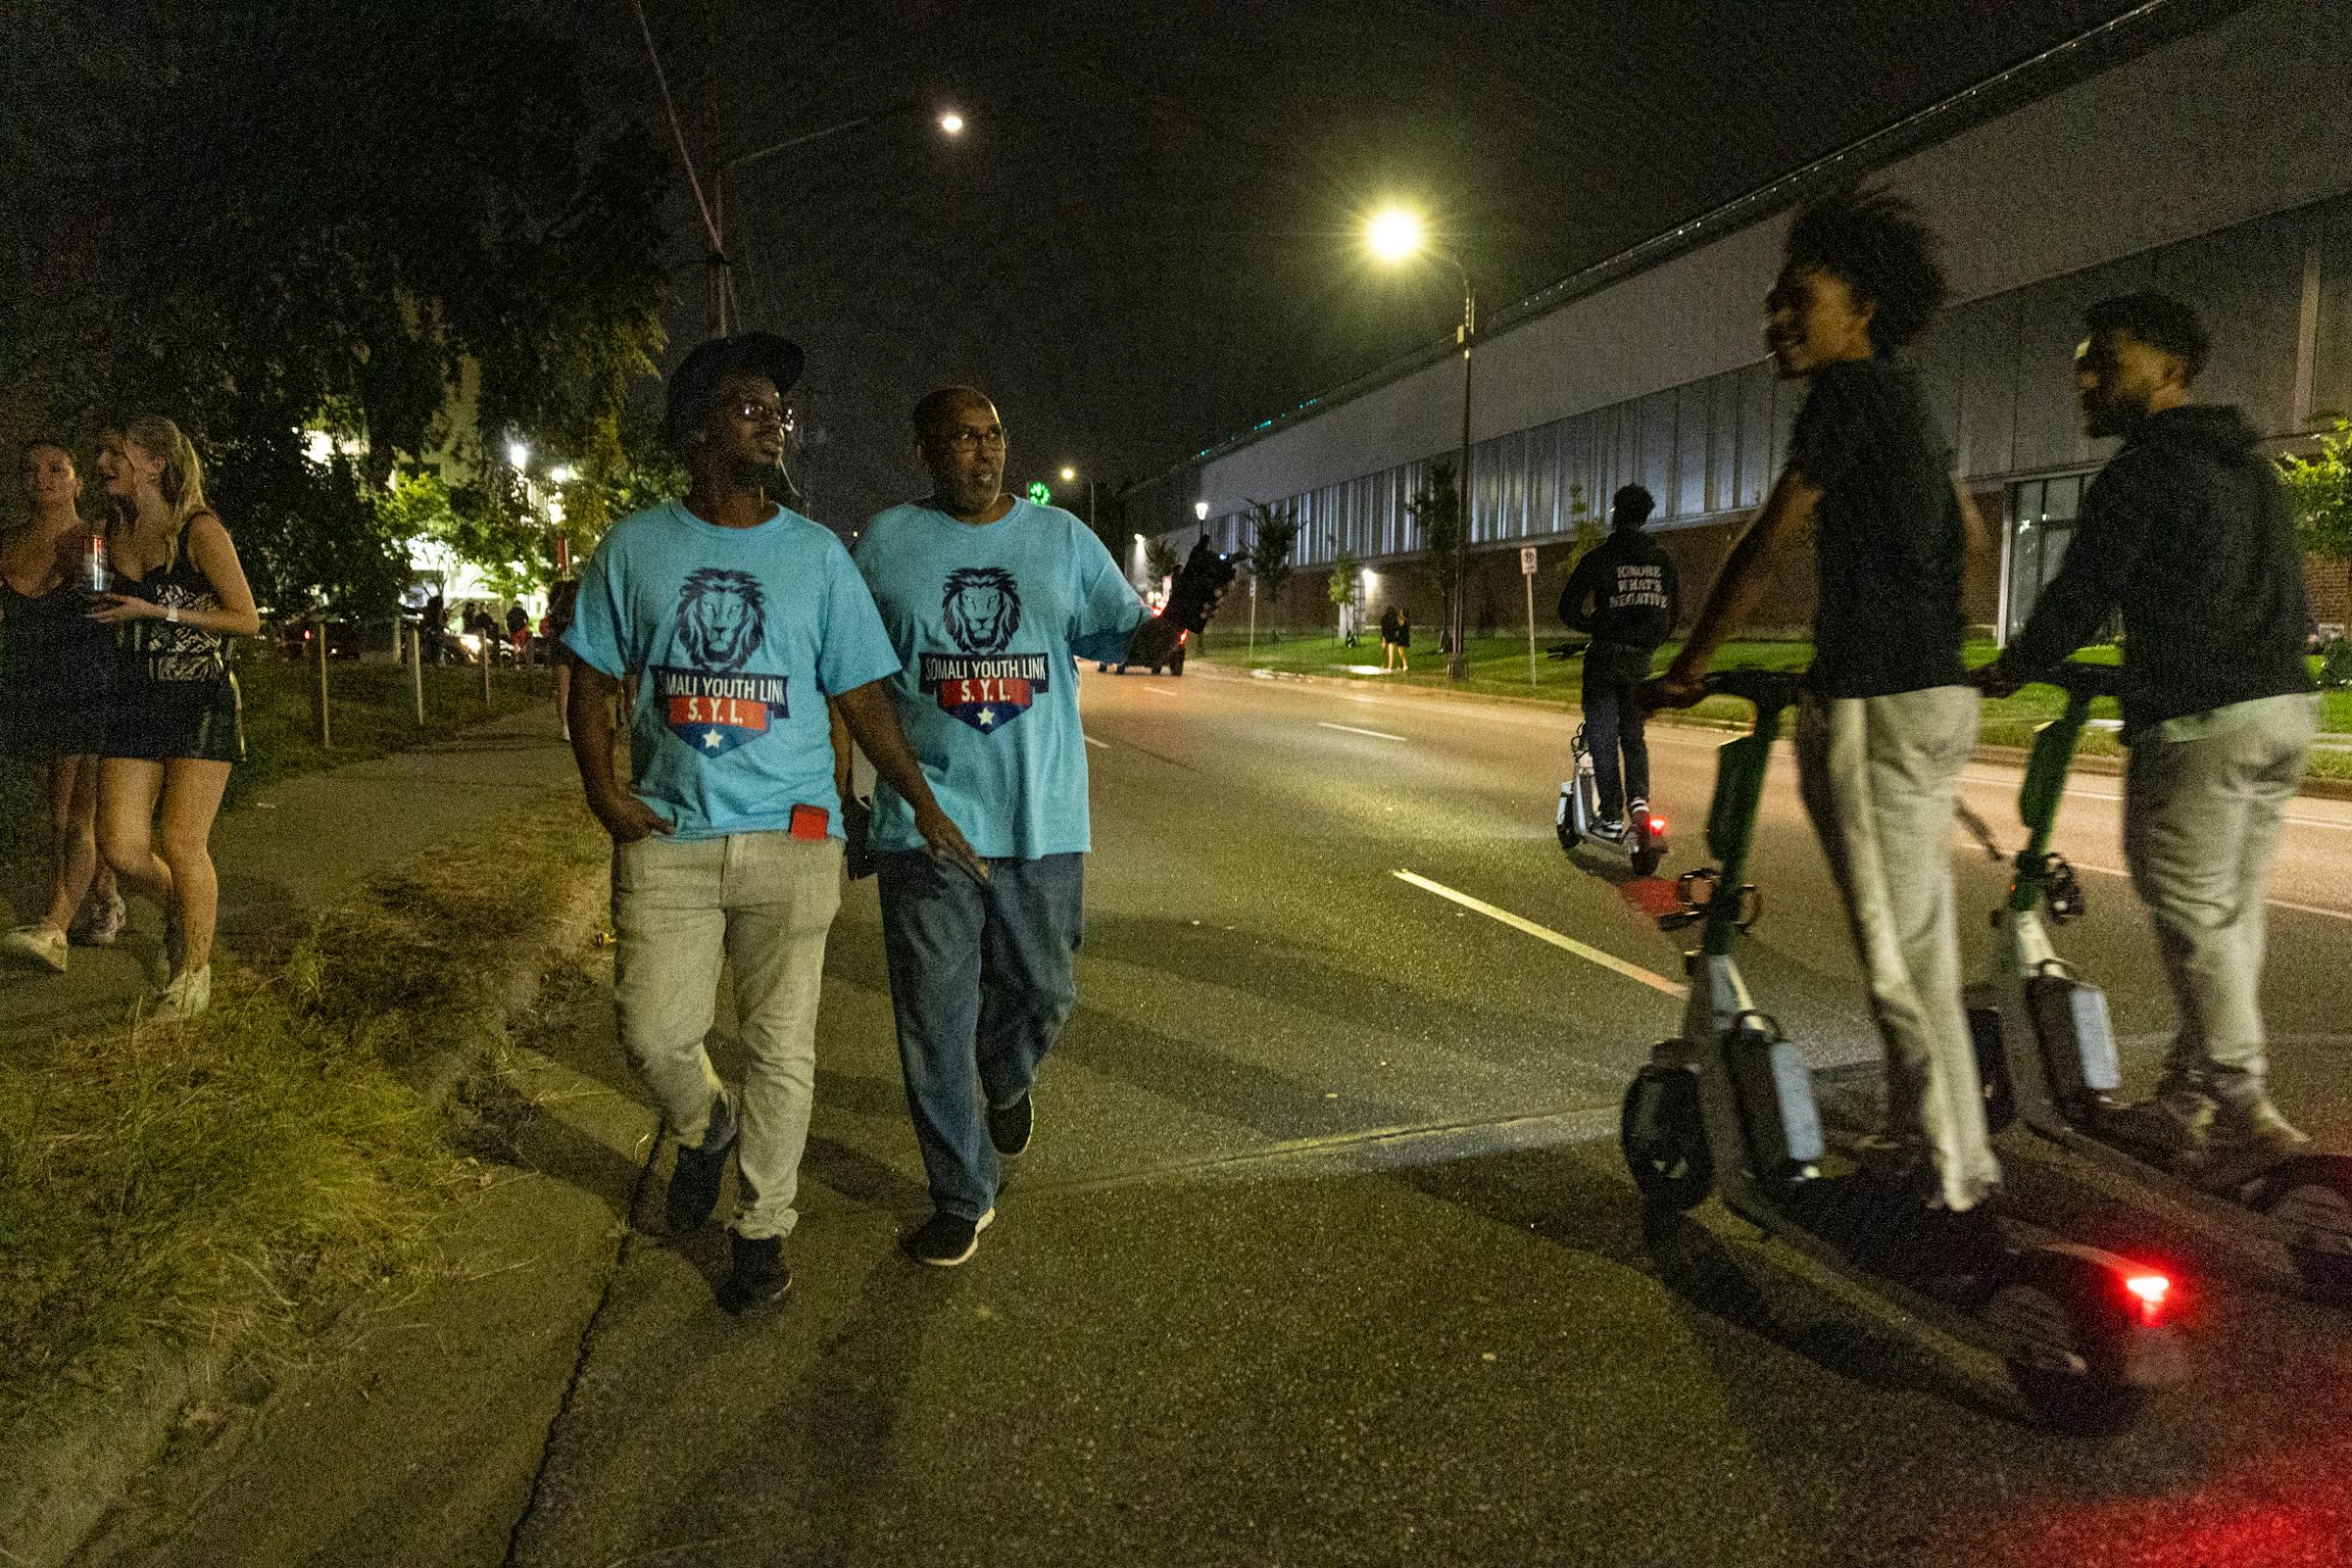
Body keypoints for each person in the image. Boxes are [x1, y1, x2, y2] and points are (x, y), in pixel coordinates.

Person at [562, 334, 984, 1312]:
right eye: (751, 407)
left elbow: (864, 697)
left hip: (794, 839)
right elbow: (589, 682)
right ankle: (706, 1127)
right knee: (652, 1030)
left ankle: (764, 1225)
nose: (773, 420)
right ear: (700, 429)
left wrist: (918, 799)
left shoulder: (815, 558)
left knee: (782, 1045)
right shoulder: (635, 547)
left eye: (778, 410)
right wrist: (603, 793)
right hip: (669, 835)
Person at [1646, 188, 2000, 1239]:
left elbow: (1770, 536)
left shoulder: (1847, 396)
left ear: (1864, 309)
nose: (1778, 321)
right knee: (1919, 940)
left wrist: (1691, 663)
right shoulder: (1911, 403)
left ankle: (1951, 1187)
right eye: (1773, 303)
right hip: (1935, 693)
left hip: (1876, 704)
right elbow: (1971, 541)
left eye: (1800, 299)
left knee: (1897, 953)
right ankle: (1920, 1140)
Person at [854, 385, 1201, 1267]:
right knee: (933, 1022)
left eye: (995, 435)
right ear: (925, 451)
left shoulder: (1059, 540)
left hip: (1040, 821)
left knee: (1045, 992)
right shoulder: (887, 544)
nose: (984, 452)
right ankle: (961, 1193)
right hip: (924, 827)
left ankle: (1006, 1078)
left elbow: (1129, 641)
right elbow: (850, 672)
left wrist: (1184, 615)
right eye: (962, 438)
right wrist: (859, 795)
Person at [1978, 292, 2318, 1183]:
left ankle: (2247, 1110)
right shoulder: (2248, 465)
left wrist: (2013, 668)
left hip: (2201, 721)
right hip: (2280, 709)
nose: (2085, 380)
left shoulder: (2147, 468)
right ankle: (2189, 1099)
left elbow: (2084, 589)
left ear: (2168, 367)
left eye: (2106, 361)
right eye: (2081, 365)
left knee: (2194, 915)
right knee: (2230, 915)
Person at [89, 417, 261, 1023]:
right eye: (103, 452)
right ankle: (182, 912)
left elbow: (247, 619)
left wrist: (156, 611)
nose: (103, 460)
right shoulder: (112, 531)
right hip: (136, 699)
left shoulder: (200, 530)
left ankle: (194, 974)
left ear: (156, 463)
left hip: (201, 700)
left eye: (116, 451)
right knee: (121, 846)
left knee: (182, 841)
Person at [1, 441, 124, 972]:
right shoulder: (7, 544)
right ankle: (103, 892)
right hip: (33, 687)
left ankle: (55, 927)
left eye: (57, 469)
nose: (43, 478)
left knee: (78, 814)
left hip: (87, 683)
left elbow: (101, 609)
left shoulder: (89, 539)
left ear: (76, 481)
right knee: (57, 813)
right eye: (30, 470)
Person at [1557, 484, 1679, 837]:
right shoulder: (1664, 562)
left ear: (1615, 514)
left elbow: (1568, 608)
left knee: (1602, 736)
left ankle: (1610, 815)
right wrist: (1648, 642)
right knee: (1633, 735)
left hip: (1605, 657)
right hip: (1641, 660)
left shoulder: (1599, 559)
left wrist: (1593, 624)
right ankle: (1639, 802)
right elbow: (1673, 615)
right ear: (1645, 516)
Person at [545, 577, 580, 741]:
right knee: (565, 690)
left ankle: (568, 725)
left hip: (568, 652)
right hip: (566, 651)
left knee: (567, 690)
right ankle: (566, 726)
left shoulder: (574, 610)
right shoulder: (562, 611)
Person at [1380, 604, 1411, 672]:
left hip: (1398, 638)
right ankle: (1401, 666)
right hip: (1399, 638)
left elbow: (1399, 626)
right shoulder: (1401, 619)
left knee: (1399, 652)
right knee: (1400, 652)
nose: (1399, 613)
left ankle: (1402, 666)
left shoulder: (1400, 620)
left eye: (1401, 612)